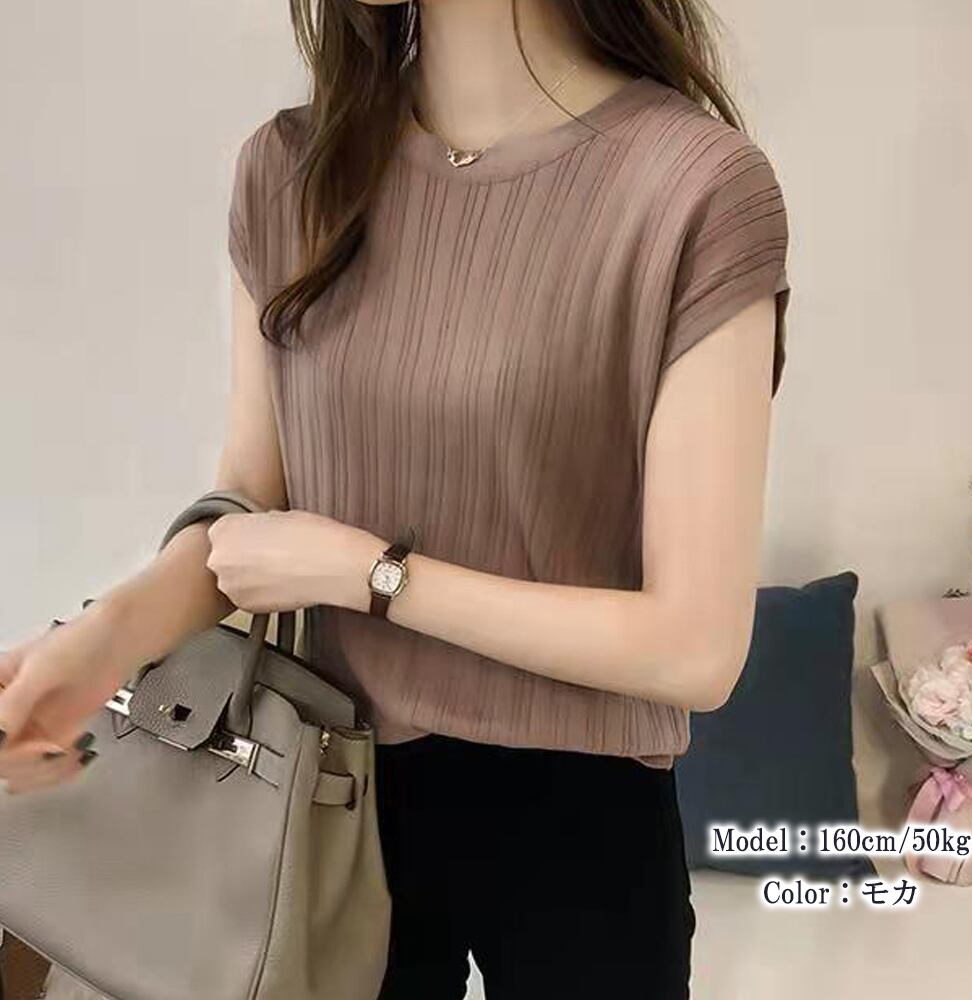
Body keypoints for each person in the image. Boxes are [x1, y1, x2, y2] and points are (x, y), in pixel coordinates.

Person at [0, 1, 790, 997]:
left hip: (584, 824)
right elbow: (250, 507)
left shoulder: (694, 187)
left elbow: (694, 650)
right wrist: (104, 640)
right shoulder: (292, 171)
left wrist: (369, 575)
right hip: (323, 791)